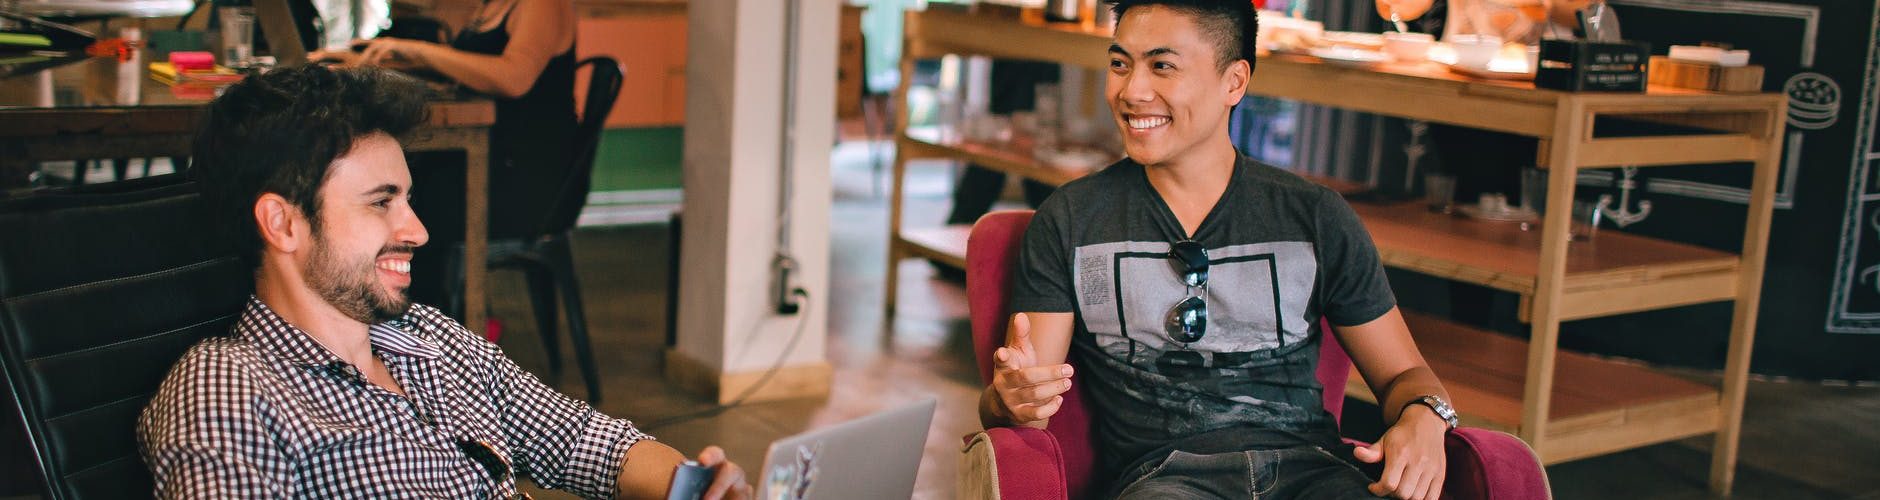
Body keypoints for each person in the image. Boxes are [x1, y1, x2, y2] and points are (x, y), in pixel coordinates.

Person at [138, 65, 751, 499]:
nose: (418, 230)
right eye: (381, 202)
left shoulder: (429, 338)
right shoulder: (227, 389)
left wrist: (693, 487)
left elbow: (583, 442)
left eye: (407, 199)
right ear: (283, 223)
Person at [978, 1, 1457, 498]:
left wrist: (1425, 414)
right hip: (1166, 480)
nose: (1132, 90)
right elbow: (1024, 403)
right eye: (1120, 64)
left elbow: (1404, 374)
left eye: (1162, 66)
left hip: (1315, 474)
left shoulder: (1315, 216)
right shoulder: (1072, 220)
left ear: (1234, 82)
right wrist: (1007, 399)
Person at [309, 0, 581, 308]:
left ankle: (414, 317)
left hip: (525, 181)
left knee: (412, 200)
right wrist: (373, 62)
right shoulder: (491, 5)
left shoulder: (542, 4)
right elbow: (465, 69)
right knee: (396, 187)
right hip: (494, 162)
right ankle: (390, 312)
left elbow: (515, 78)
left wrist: (415, 51)